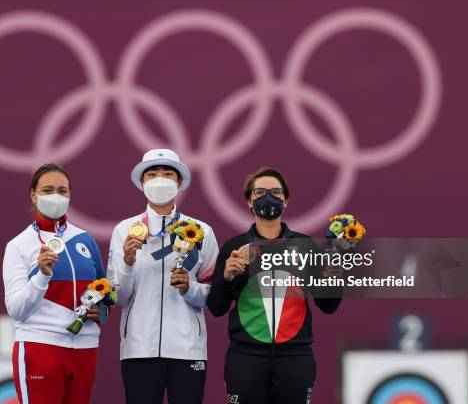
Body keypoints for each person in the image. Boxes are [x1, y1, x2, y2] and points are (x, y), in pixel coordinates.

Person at [207, 166, 343, 404]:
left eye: (276, 192)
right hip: (246, 357)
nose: (267, 197)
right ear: (249, 202)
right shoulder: (234, 247)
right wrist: (227, 278)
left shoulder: (305, 246)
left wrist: (333, 279)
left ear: (286, 200)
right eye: (259, 192)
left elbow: (327, 306)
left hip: (295, 358)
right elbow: (216, 308)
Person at [107, 149, 219, 404]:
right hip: (139, 348)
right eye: (153, 174)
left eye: (168, 174)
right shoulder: (125, 230)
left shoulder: (201, 232)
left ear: (178, 183)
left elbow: (214, 295)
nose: (160, 180)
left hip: (188, 349)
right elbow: (118, 296)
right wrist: (127, 262)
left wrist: (189, 288)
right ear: (142, 183)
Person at [2, 163, 107, 404]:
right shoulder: (19, 245)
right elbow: (16, 310)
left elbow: (105, 290)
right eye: (48, 190)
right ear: (33, 195)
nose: (56, 196)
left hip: (85, 348)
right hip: (41, 347)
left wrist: (100, 310)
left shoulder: (85, 239)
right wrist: (42, 274)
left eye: (62, 191)